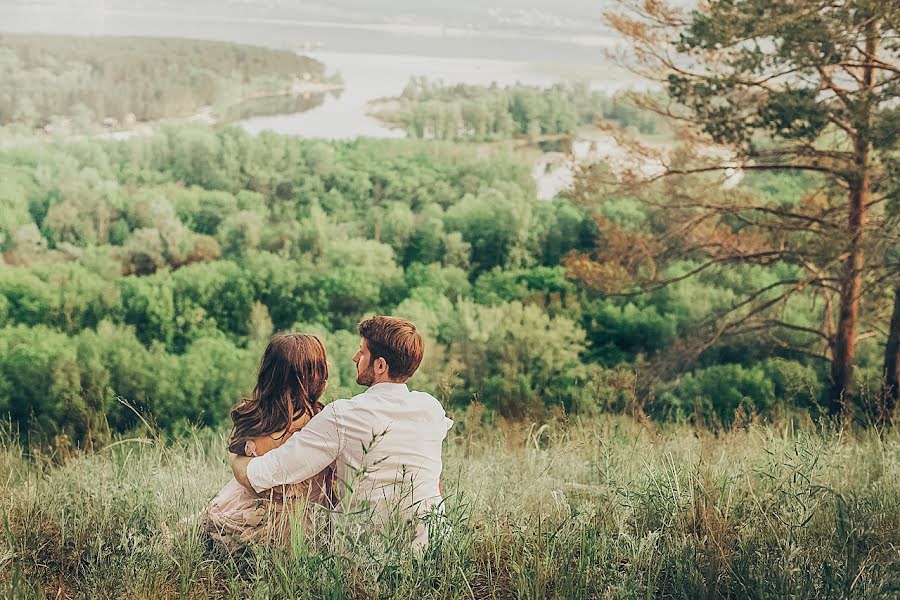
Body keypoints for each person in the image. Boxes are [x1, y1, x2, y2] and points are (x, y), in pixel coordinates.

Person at [231, 316, 453, 550]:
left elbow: (264, 475)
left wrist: (237, 459)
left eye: (362, 352)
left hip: (367, 551)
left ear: (380, 366)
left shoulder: (343, 416)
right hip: (433, 546)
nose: (355, 358)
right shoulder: (431, 408)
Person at [204, 332, 334, 549]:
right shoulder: (321, 421)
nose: (328, 366)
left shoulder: (257, 419)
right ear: (312, 377)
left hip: (253, 509)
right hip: (303, 520)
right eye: (322, 365)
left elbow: (240, 460)